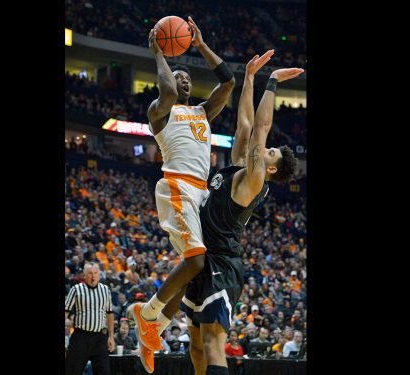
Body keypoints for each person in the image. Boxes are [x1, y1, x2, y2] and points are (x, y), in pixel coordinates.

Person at [179, 52, 302, 375]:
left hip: (223, 263)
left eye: (270, 151)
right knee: (194, 345)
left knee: (212, 345)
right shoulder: (239, 164)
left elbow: (262, 125)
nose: (265, 147)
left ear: (271, 167)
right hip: (202, 258)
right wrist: (248, 78)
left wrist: (272, 80)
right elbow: (246, 124)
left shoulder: (255, 178)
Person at [132, 16, 235, 373]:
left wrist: (202, 46)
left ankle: (152, 329)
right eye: (178, 77)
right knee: (194, 261)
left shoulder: (203, 112)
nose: (184, 80)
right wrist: (158, 52)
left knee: (196, 272)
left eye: (188, 76)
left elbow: (229, 80)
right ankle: (146, 315)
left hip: (201, 193)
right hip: (176, 185)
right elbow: (168, 91)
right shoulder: (160, 112)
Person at [65, 262, 116, 375]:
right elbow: (66, 311)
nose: (93, 276)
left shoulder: (105, 290)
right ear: (84, 275)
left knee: (104, 372)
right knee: (72, 371)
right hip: (80, 337)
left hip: (100, 337)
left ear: (99, 274)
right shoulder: (76, 289)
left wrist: (111, 337)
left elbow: (110, 314)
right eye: (90, 273)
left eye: (95, 273)